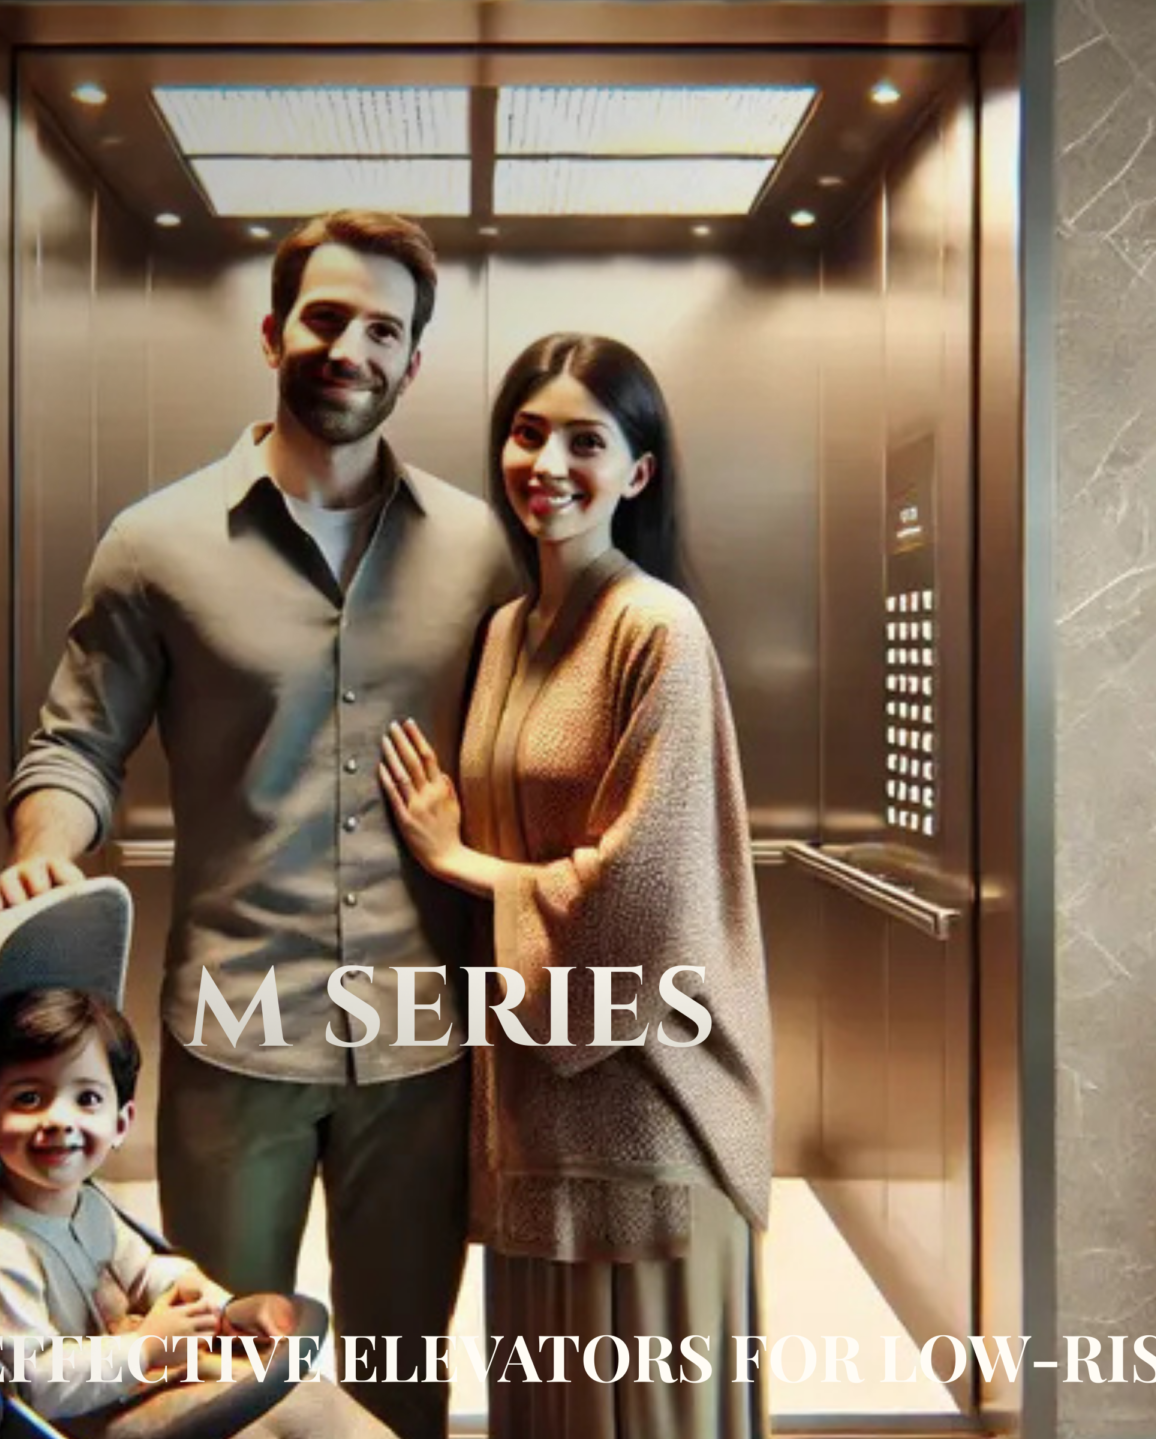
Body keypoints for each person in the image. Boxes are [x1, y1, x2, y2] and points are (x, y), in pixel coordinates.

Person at [0, 210, 518, 1439]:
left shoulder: (483, 551)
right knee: (216, 1376)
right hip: (233, 1037)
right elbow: (74, 742)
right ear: (275, 330)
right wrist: (43, 849)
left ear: (412, 362)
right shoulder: (153, 545)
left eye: (385, 328)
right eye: (328, 317)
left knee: (399, 1380)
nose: (352, 347)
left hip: (425, 1046)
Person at [377, 334, 774, 1439]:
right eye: (526, 430)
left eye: (584, 440)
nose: (545, 460)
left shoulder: (657, 627)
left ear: (637, 472)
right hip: (532, 1107)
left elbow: (646, 885)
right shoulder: (507, 631)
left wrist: (462, 860)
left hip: (648, 1105)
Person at [0, 987, 226, 1421]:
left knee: (292, 1393)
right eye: (28, 1099)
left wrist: (209, 1300)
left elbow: (141, 1271)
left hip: (116, 1395)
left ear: (120, 1122)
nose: (59, 1120)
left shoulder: (90, 1206)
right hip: (71, 1422)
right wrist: (145, 1348)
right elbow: (34, 1384)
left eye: (87, 1099)